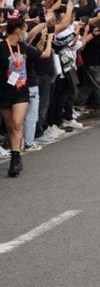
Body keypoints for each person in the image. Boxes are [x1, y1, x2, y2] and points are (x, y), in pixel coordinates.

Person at [0, 13, 36, 176]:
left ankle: (16, 158)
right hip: (4, 92)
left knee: (16, 123)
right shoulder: (1, 47)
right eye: (24, 30)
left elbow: (42, 54)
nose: (25, 33)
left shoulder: (24, 47)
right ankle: (15, 150)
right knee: (9, 126)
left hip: (21, 91)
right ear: (18, 30)